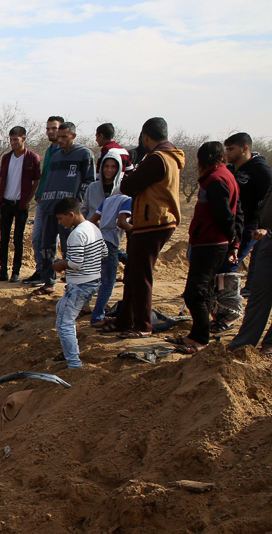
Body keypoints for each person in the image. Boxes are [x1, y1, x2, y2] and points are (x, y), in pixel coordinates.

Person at [105, 117, 185, 337]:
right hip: (154, 220)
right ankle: (125, 320)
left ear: (145, 136)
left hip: (153, 222)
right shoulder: (169, 157)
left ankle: (142, 326)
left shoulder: (157, 159)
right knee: (132, 273)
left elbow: (128, 185)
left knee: (140, 276)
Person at [168, 142, 241, 354]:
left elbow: (226, 215)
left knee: (195, 293)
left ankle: (201, 339)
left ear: (203, 159)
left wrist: (232, 241)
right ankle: (196, 335)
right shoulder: (224, 175)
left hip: (211, 243)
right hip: (211, 242)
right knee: (204, 291)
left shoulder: (216, 179)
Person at [30, 122, 96, 294]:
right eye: (58, 137)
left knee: (71, 247)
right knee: (47, 246)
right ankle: (48, 282)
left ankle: (73, 284)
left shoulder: (84, 154)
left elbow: (89, 181)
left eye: (64, 137)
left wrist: (76, 201)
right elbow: (48, 178)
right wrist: (43, 199)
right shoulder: (56, 155)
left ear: (73, 136)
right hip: (49, 207)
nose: (60, 140)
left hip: (69, 212)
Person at [50, 196, 105, 368]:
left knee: (64, 324)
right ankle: (69, 353)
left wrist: (61, 264)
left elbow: (75, 263)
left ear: (71, 214)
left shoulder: (77, 234)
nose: (60, 223)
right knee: (61, 308)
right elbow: (104, 252)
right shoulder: (93, 227)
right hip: (93, 280)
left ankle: (73, 362)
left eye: (61, 218)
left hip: (81, 284)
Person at [223, 132, 272, 309]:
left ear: (245, 149)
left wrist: (264, 227)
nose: (227, 153)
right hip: (230, 223)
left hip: (252, 226)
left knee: (231, 264)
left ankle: (229, 309)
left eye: (231, 149)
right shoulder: (229, 170)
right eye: (225, 149)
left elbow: (268, 202)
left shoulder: (261, 171)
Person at [86, 152, 132, 326]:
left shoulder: (108, 200)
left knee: (95, 277)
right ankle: (97, 317)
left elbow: (92, 220)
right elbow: (122, 222)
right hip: (110, 242)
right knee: (108, 282)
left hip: (98, 240)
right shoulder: (127, 200)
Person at [227, 180, 272, 356]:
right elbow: (267, 204)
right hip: (269, 238)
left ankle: (269, 344)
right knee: (258, 294)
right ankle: (243, 342)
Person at [0, 126, 41, 282]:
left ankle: (16, 272)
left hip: (21, 205)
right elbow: (2, 178)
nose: (12, 143)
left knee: (18, 238)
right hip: (6, 203)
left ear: (23, 139)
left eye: (16, 139)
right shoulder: (6, 158)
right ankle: (3, 271)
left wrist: (27, 200)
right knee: (4, 238)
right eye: (11, 139)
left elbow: (37, 180)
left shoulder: (33, 158)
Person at [23, 116, 63, 283]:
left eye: (54, 128)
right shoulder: (49, 150)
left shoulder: (64, 151)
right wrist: (38, 194)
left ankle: (49, 274)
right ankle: (41, 270)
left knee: (52, 240)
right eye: (48, 128)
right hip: (43, 200)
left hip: (58, 202)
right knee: (37, 237)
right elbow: (43, 176)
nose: (50, 131)